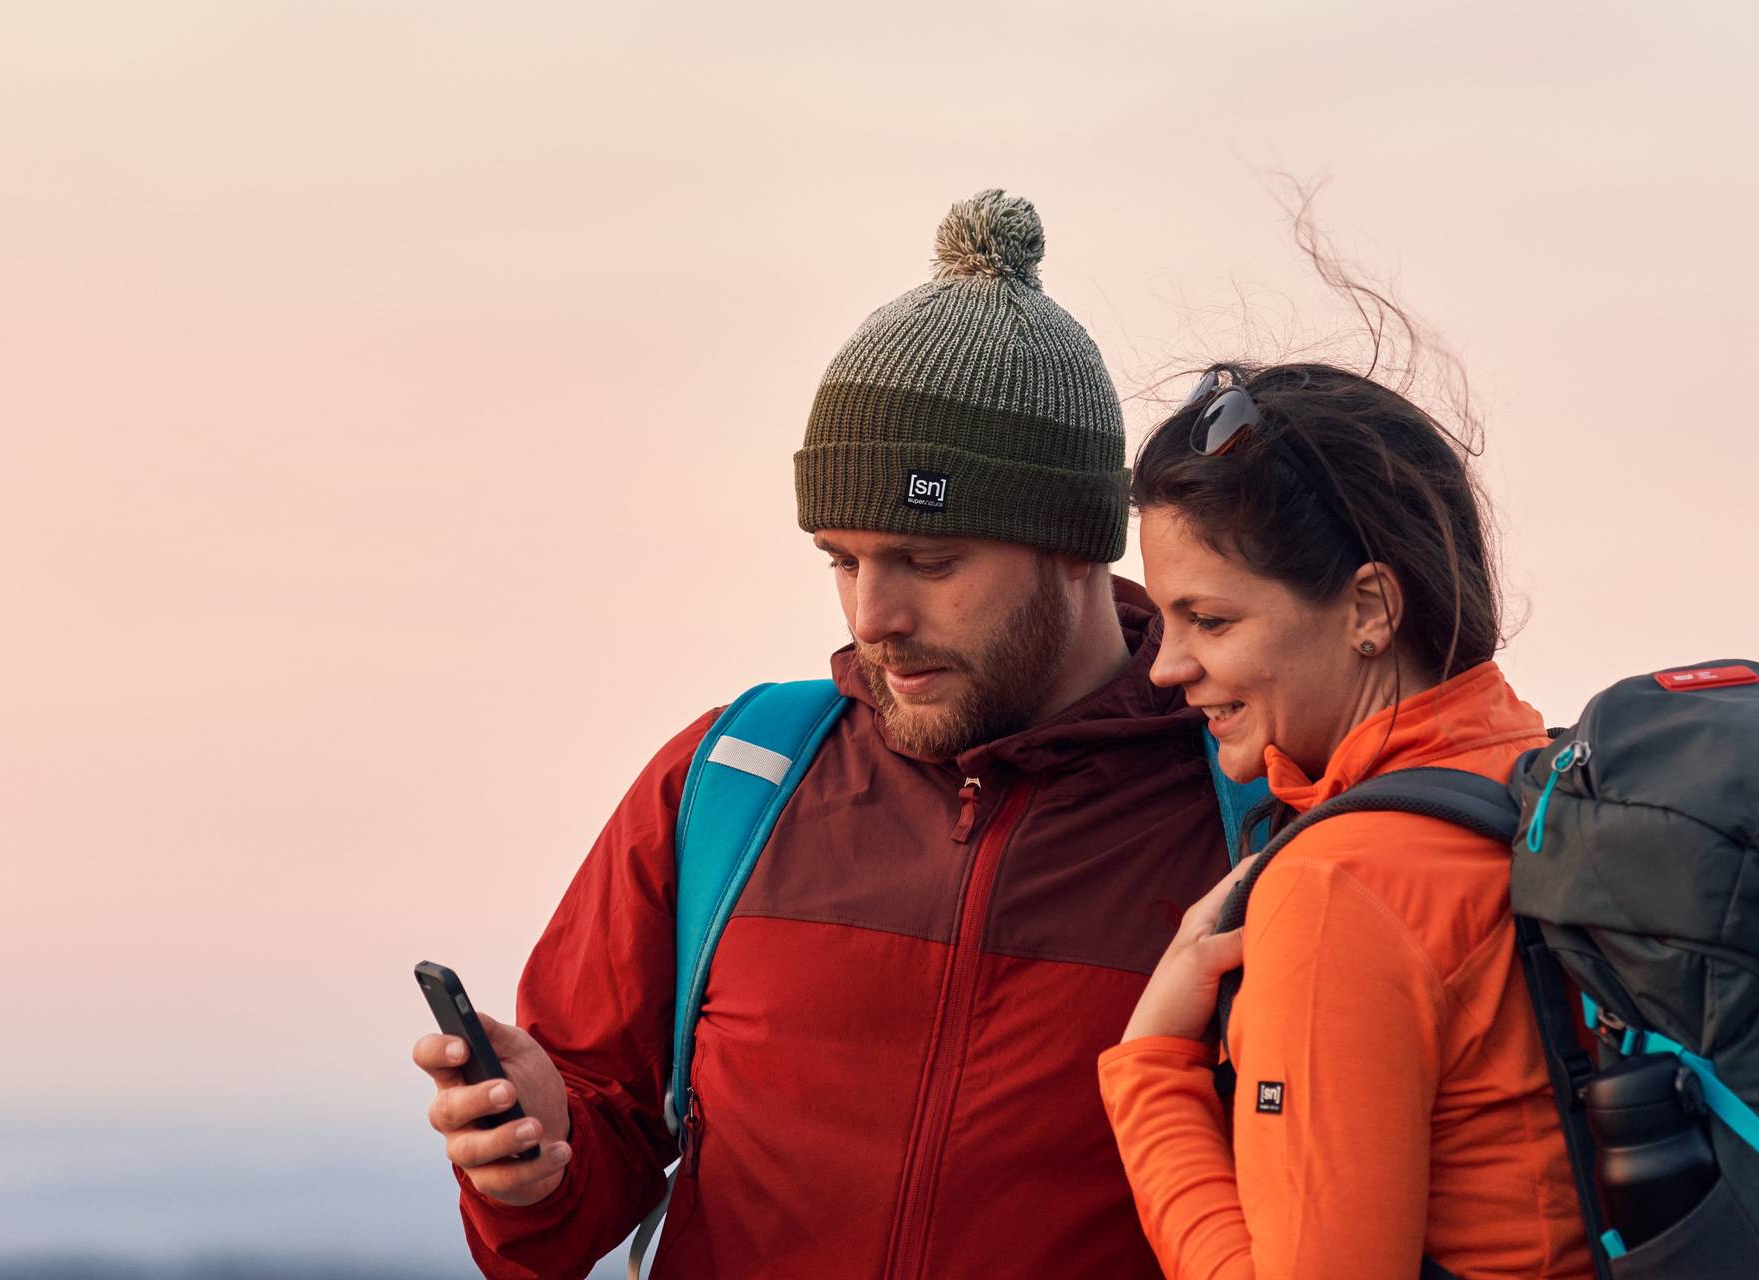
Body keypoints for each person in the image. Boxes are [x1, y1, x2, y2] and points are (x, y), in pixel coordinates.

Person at [409, 190, 1242, 1278]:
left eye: (928, 562)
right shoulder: (733, 779)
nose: (871, 616)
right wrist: (535, 1162)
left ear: (1076, 543)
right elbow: (571, 1197)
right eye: (842, 559)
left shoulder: (1245, 805)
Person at [1100, 360, 1592, 1278]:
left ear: (1369, 608)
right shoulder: (1539, 786)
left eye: (1207, 619)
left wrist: (1153, 1071)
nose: (1167, 667)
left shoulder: (1343, 885)